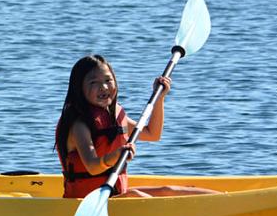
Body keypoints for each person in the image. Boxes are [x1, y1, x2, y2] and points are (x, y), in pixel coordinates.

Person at [54, 55, 218, 198]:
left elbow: (152, 134)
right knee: (137, 196)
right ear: (79, 88)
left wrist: (159, 99)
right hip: (88, 202)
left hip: (114, 194)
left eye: (108, 80)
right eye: (93, 82)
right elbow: (92, 167)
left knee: (168, 190)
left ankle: (225, 199)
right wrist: (115, 155)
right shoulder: (79, 126)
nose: (103, 87)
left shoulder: (114, 116)